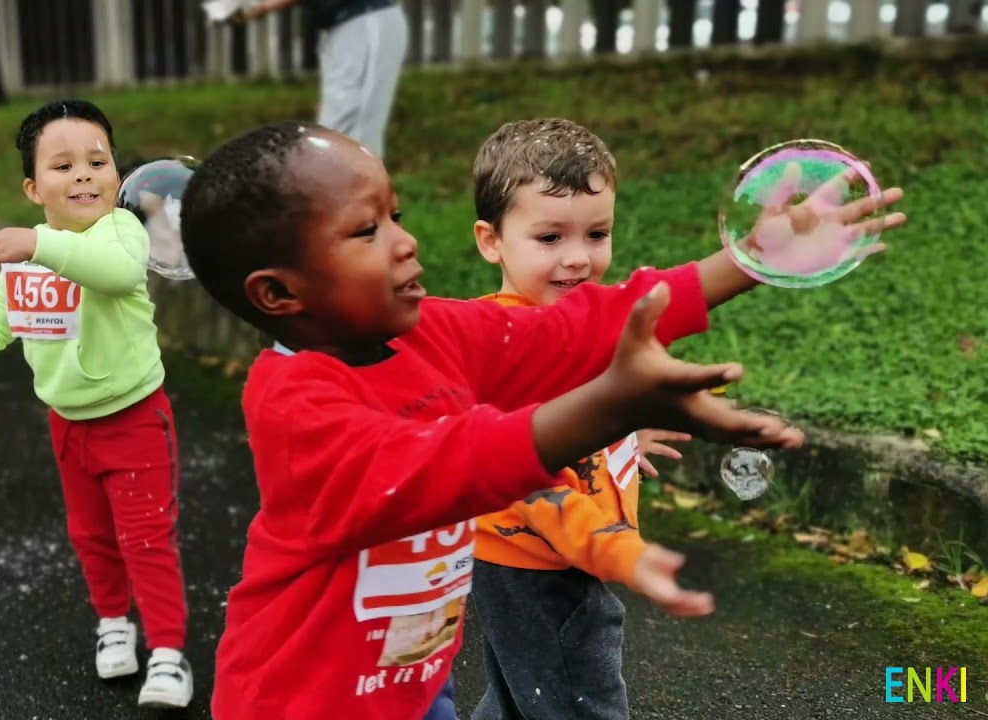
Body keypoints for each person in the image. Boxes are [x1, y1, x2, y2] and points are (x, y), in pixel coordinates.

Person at [173, 120, 874, 720]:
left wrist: (748, 259)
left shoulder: (433, 333)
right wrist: (615, 403)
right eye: (366, 229)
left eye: (396, 214)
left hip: (409, 679)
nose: (405, 241)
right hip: (300, 704)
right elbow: (449, 461)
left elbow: (577, 329)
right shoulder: (296, 407)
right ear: (280, 293)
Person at [465, 118, 906, 720]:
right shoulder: (508, 341)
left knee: (521, 696)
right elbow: (526, 482)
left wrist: (619, 434)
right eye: (548, 238)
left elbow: (575, 405)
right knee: (578, 698)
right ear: (491, 241)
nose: (578, 258)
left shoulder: (560, 320)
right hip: (549, 566)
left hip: (510, 565)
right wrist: (621, 553)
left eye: (597, 233)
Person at [0, 100, 193, 709]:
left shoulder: (123, 234)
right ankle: (113, 622)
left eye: (97, 161)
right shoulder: (28, 254)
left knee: (146, 539)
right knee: (90, 535)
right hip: (68, 424)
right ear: (34, 187)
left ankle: (168, 652)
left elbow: (111, 272)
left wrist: (37, 243)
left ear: (116, 176)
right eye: (63, 165)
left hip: (134, 419)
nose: (83, 174)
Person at [231, 0, 407, 158]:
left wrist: (262, 5)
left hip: (364, 19)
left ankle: (355, 191)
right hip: (343, 26)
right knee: (337, 133)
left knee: (351, 134)